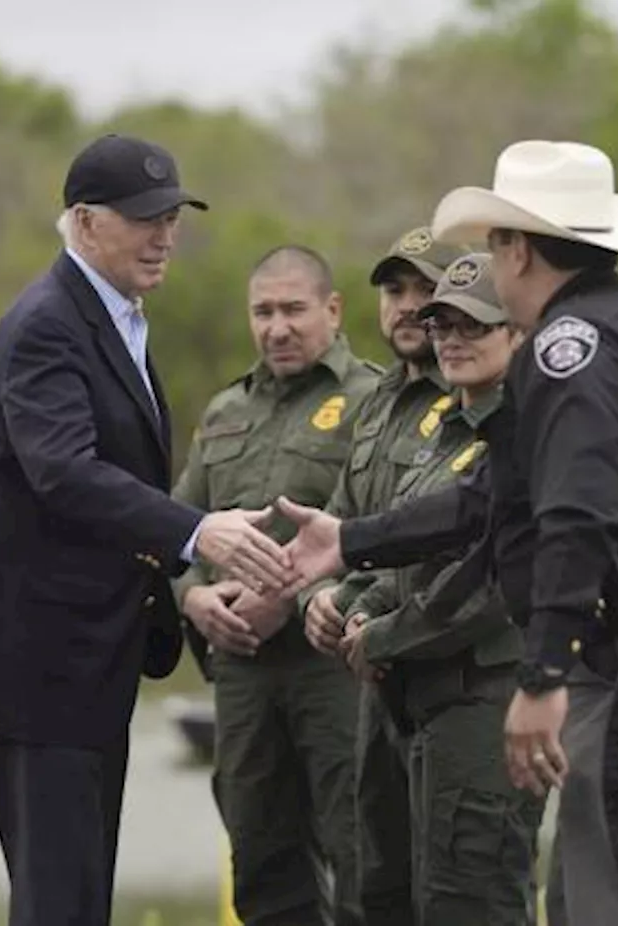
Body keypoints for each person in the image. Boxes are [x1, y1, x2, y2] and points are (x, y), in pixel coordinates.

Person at [273, 140, 618, 926]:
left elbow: (576, 515)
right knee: (605, 895)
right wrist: (351, 541)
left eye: (492, 245)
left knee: (617, 903)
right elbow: (491, 498)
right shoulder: (613, 324)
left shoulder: (571, 348)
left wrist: (541, 678)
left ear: (518, 248)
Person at [0, 134, 296, 926]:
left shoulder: (116, 318)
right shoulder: (46, 326)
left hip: (86, 663)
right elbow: (64, 473)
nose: (165, 235)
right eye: (145, 217)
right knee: (59, 904)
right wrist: (198, 533)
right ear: (84, 222)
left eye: (174, 216)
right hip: (34, 664)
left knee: (78, 901)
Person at [171, 244, 382, 926]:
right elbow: (179, 530)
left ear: (332, 309)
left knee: (361, 856)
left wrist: (283, 597)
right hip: (243, 676)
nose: (277, 327)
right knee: (260, 857)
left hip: (335, 667)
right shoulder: (226, 410)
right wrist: (194, 598)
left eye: (293, 309)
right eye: (263, 312)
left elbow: (387, 529)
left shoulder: (373, 400)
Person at [338, 252, 545, 924]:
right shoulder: (441, 429)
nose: (451, 339)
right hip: (415, 702)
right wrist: (360, 606)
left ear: (518, 334)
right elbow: (409, 554)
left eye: (474, 325)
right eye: (440, 324)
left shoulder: (527, 434)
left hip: (486, 699)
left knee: (473, 901)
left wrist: (384, 635)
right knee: (395, 896)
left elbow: (489, 586)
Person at [297, 224, 462, 925]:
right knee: (377, 889)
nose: (405, 306)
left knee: (464, 892)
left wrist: (371, 611)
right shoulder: (377, 406)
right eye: (394, 290)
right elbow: (340, 526)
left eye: (425, 290)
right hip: (377, 689)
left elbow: (460, 552)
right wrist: (319, 598)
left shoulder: (479, 400)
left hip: (457, 678)